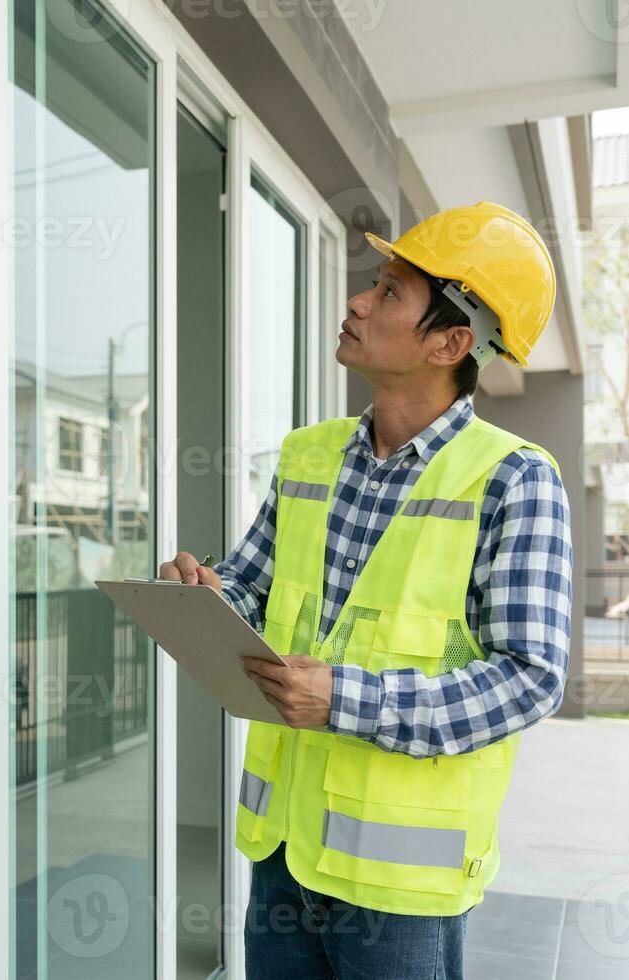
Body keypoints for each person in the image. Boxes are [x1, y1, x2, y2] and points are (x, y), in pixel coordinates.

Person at [159, 202, 573, 979]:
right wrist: (200, 594)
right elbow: (250, 587)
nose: (356, 301)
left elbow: (529, 680)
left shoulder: (513, 478)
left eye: (388, 293)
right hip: (283, 849)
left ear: (451, 341)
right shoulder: (308, 455)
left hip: (401, 885)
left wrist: (345, 700)